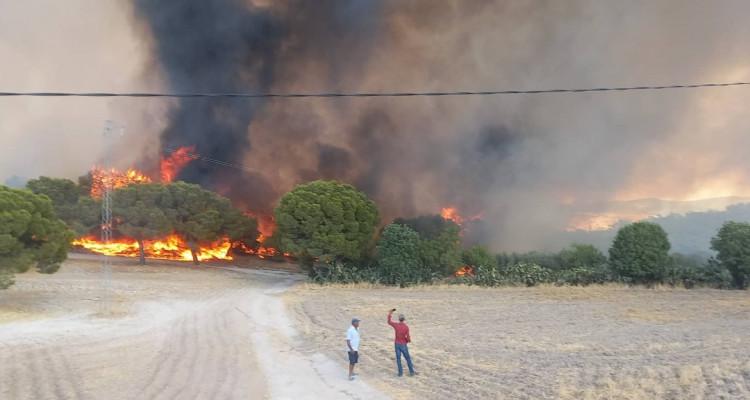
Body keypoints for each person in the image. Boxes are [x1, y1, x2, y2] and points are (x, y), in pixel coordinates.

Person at [387, 309, 417, 377]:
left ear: (399, 319)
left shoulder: (396, 325)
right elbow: (408, 338)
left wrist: (390, 314)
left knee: (398, 359)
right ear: (404, 319)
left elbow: (389, 322)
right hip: (403, 344)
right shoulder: (406, 327)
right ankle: (411, 372)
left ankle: (400, 373)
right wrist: (407, 340)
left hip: (397, 344)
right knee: (408, 358)